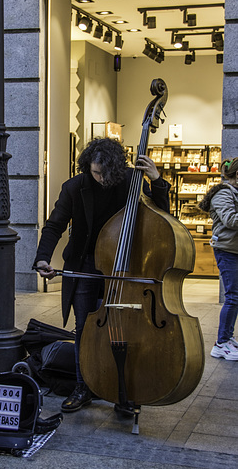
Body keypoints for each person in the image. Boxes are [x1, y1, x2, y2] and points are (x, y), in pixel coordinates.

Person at [33, 137, 170, 413]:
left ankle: (125, 392)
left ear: (118, 168)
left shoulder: (132, 180)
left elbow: (162, 216)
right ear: (87, 166)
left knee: (126, 328)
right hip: (85, 263)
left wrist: (156, 180)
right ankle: (83, 387)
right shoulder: (75, 187)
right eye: (96, 173)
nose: (102, 179)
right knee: (85, 327)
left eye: (107, 174)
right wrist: (42, 258)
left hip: (124, 266)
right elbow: (54, 225)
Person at [198, 157, 238, 362]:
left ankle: (228, 337)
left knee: (235, 297)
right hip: (227, 251)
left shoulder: (233, 193)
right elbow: (231, 220)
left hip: (233, 249)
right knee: (232, 296)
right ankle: (221, 344)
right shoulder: (223, 194)